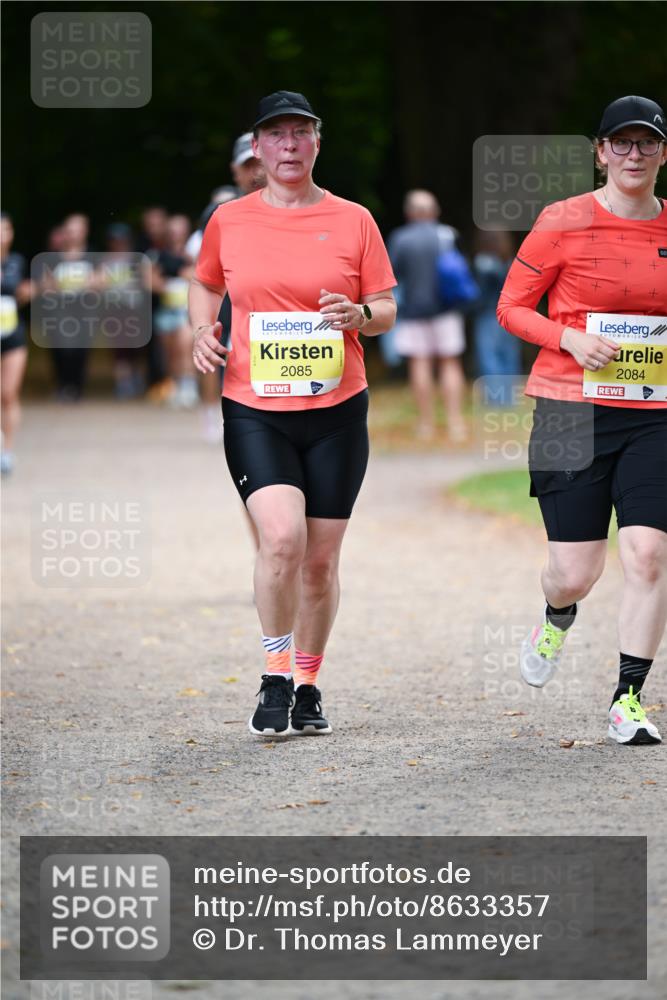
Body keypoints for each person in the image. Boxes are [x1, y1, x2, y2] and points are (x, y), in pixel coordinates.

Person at [189, 90, 396, 737]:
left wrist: (360, 314)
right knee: (282, 539)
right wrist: (201, 330)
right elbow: (205, 282)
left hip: (337, 410)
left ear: (316, 142)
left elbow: (387, 308)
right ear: (257, 148)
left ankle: (308, 684)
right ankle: (275, 674)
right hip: (256, 407)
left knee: (320, 563)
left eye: (299, 132)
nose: (288, 144)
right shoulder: (230, 220)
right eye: (275, 134)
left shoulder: (354, 219)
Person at [497, 95, 667, 746]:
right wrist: (568, 338)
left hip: (653, 414)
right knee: (575, 573)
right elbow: (511, 308)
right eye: (621, 143)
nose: (633, 154)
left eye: (646, 143)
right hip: (570, 410)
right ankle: (555, 614)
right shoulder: (562, 220)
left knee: (647, 555)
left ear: (662, 154)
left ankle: (628, 699)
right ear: (600, 152)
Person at [388, 190, 467, 442]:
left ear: (409, 212)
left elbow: (390, 275)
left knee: (419, 364)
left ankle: (426, 424)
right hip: (446, 309)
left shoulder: (400, 239)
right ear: (435, 211)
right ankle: (455, 422)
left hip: (413, 312)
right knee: (450, 363)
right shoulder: (448, 234)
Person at [1, 213, 33, 475]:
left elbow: (24, 292)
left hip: (12, 334)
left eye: (6, 229)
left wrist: (27, 292)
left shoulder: (17, 262)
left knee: (8, 394)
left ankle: (7, 452)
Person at [472, 230, 520, 405]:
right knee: (509, 357)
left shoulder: (482, 262)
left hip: (488, 315)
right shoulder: (512, 261)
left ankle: (495, 400)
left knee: (489, 357)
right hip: (510, 316)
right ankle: (509, 399)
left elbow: (479, 294)